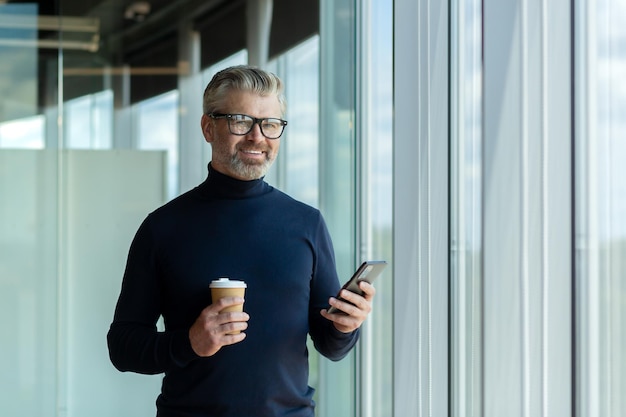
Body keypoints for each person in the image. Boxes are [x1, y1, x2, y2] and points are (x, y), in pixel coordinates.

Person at [107, 65, 376, 417]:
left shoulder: (306, 223)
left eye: (270, 124)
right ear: (208, 127)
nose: (257, 136)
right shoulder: (163, 227)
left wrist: (345, 326)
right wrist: (189, 342)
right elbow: (123, 347)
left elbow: (330, 344)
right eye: (240, 121)